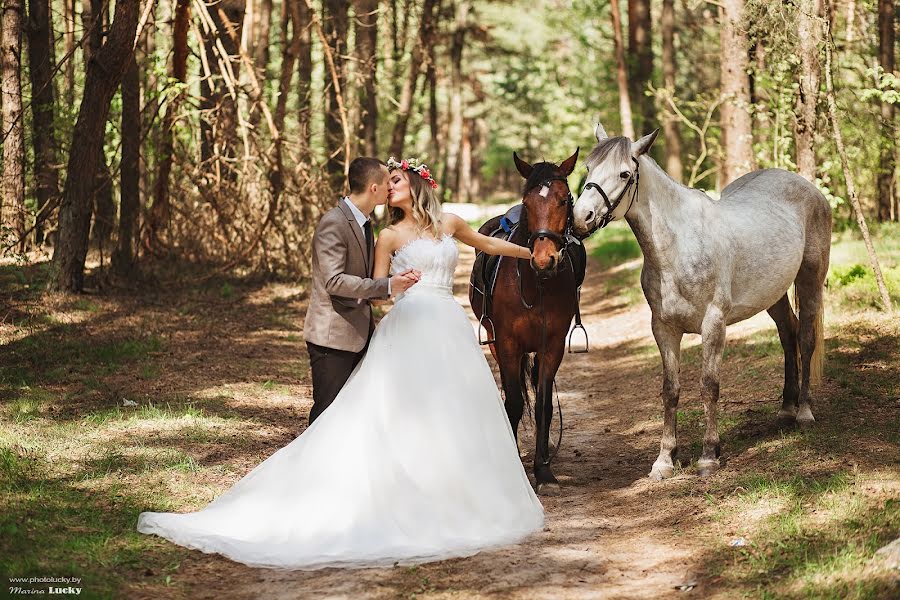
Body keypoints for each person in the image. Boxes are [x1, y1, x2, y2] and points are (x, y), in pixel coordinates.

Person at [136, 157, 543, 570]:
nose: (390, 188)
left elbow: (489, 244)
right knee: (383, 416)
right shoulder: (387, 235)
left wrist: (533, 254)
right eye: (387, 182)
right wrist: (393, 290)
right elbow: (376, 289)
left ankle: (458, 494)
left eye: (397, 181)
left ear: (419, 184)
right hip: (410, 326)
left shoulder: (450, 222)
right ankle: (369, 494)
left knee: (454, 413)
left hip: (448, 327)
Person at [302, 157, 420, 425]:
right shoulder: (334, 222)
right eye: (388, 182)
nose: (392, 187)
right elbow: (334, 282)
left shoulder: (363, 222)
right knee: (326, 415)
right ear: (374, 188)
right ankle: (315, 466)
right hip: (332, 338)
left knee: (353, 414)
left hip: (359, 333)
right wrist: (387, 286)